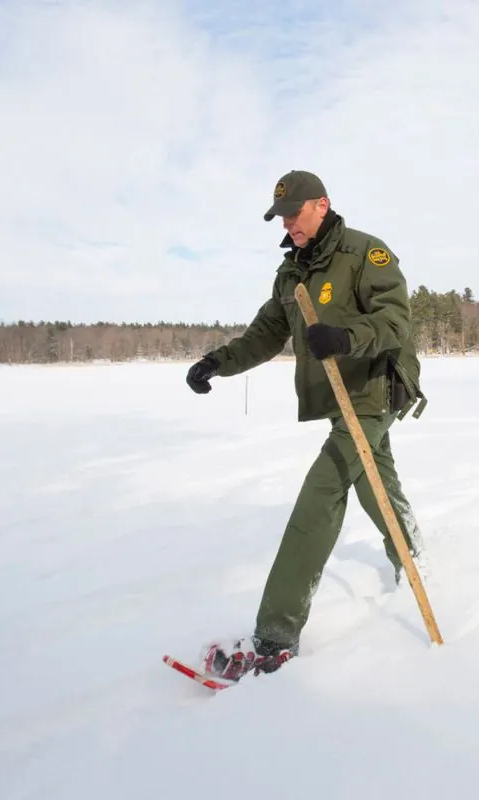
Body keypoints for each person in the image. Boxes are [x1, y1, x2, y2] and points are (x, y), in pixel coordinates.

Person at [184, 169, 427, 681]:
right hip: (341, 397)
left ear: (323, 205)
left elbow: (395, 321)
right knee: (375, 477)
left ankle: (274, 638)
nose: (288, 224)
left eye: (295, 213)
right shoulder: (291, 274)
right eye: (281, 217)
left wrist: (345, 337)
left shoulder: (366, 254)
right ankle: (413, 553)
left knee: (322, 493)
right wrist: (217, 363)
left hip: (377, 388)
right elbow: (265, 334)